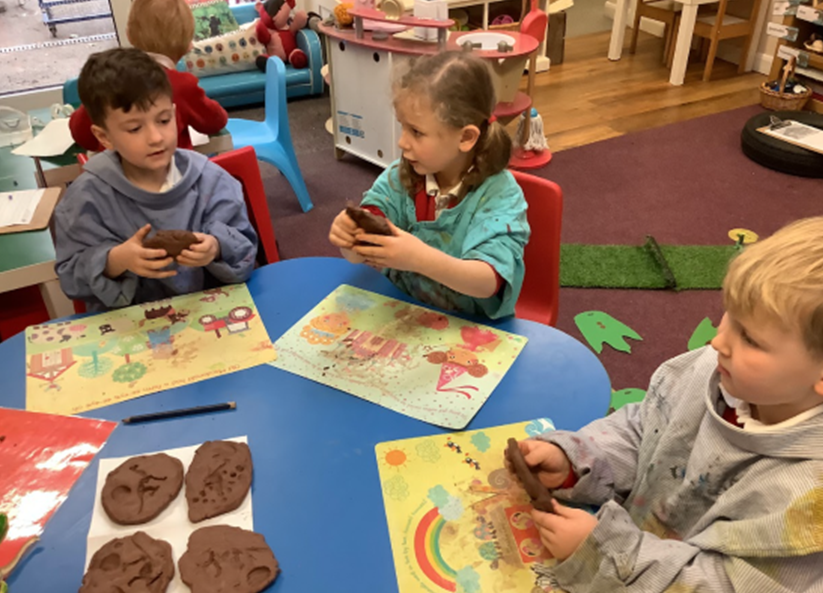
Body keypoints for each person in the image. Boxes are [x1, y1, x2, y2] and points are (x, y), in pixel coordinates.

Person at [514, 217, 823, 592]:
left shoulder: (807, 505)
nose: (718, 341)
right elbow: (646, 429)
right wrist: (576, 462)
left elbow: (722, 585)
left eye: (751, 340)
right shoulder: (713, 369)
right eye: (730, 315)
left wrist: (603, 553)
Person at [328, 51, 530, 320]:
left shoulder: (500, 195)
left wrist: (418, 259)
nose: (402, 142)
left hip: (471, 329)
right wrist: (349, 239)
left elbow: (487, 282)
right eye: (402, 127)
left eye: (416, 132)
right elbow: (360, 252)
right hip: (406, 318)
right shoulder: (400, 177)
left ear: (466, 138)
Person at [55, 48, 257, 311]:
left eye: (163, 120)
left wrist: (216, 247)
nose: (156, 137)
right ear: (104, 137)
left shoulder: (210, 180)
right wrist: (115, 260)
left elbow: (245, 246)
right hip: (128, 328)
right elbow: (70, 277)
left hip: (209, 317)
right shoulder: (86, 198)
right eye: (135, 128)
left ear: (174, 113)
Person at [69, 0, 228, 152]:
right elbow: (215, 122)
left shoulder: (108, 79)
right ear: (189, 45)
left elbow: (81, 134)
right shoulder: (181, 85)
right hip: (173, 168)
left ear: (129, 35)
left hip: (115, 169)